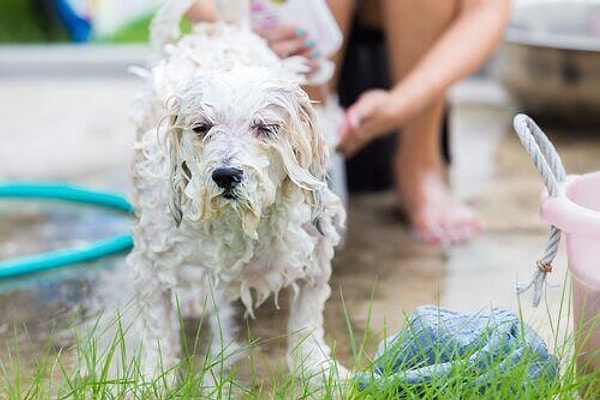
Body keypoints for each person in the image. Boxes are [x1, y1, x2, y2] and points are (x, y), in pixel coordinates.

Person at [187, 0, 511, 246]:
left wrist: (403, 104)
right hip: (297, 43)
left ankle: (419, 161)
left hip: (413, 40)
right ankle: (302, 161)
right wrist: (248, 31)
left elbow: (486, 11)